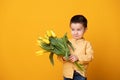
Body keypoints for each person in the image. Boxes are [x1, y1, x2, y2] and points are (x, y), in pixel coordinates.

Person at [58, 15, 94, 80]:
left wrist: (78, 58)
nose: (75, 32)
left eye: (79, 30)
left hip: (80, 74)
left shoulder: (87, 44)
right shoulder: (66, 42)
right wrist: (63, 58)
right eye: (73, 29)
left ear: (85, 29)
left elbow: (90, 57)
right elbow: (59, 56)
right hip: (67, 74)